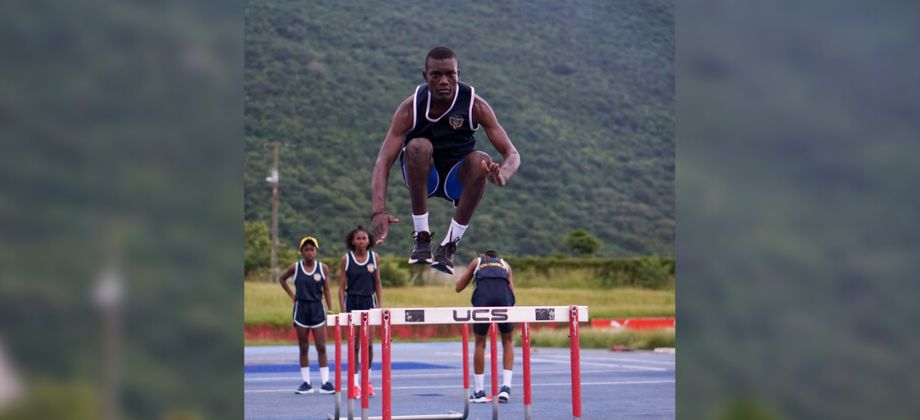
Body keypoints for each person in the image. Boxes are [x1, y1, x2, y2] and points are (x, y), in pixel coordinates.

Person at [370, 46, 521, 274]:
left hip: (457, 179)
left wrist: (503, 175)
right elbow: (383, 161)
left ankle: (449, 245)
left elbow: (512, 153)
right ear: (425, 76)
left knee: (482, 159)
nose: (444, 81)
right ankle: (422, 238)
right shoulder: (410, 108)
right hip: (423, 175)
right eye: (436, 75)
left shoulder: (475, 105)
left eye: (450, 74)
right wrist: (378, 210)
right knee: (419, 146)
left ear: (458, 75)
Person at [455, 249, 516, 403]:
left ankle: (479, 391)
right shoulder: (505, 264)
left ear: (484, 256)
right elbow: (512, 292)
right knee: (507, 340)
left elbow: (458, 287)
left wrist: (473, 275)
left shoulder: (477, 262)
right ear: (497, 257)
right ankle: (506, 388)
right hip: (504, 301)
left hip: (483, 300)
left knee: (480, 342)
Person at [278, 236, 335, 394]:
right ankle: (306, 383)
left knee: (321, 347)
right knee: (303, 347)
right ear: (301, 251)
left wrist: (330, 308)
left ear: (316, 251)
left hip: (317, 309)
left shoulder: (322, 268)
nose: (309, 252)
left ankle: (325, 383)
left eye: (312, 249)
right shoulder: (295, 268)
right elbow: (281, 279)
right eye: (306, 249)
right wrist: (292, 295)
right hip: (301, 309)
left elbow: (327, 289)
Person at [338, 226, 383, 397]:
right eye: (358, 239)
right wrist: (343, 310)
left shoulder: (374, 258)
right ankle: (355, 383)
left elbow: (377, 283)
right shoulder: (346, 259)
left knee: (369, 344)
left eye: (364, 238)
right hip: (352, 302)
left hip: (368, 302)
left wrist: (379, 306)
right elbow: (342, 286)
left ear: (369, 240)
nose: (361, 241)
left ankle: (367, 381)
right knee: (355, 345)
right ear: (352, 241)